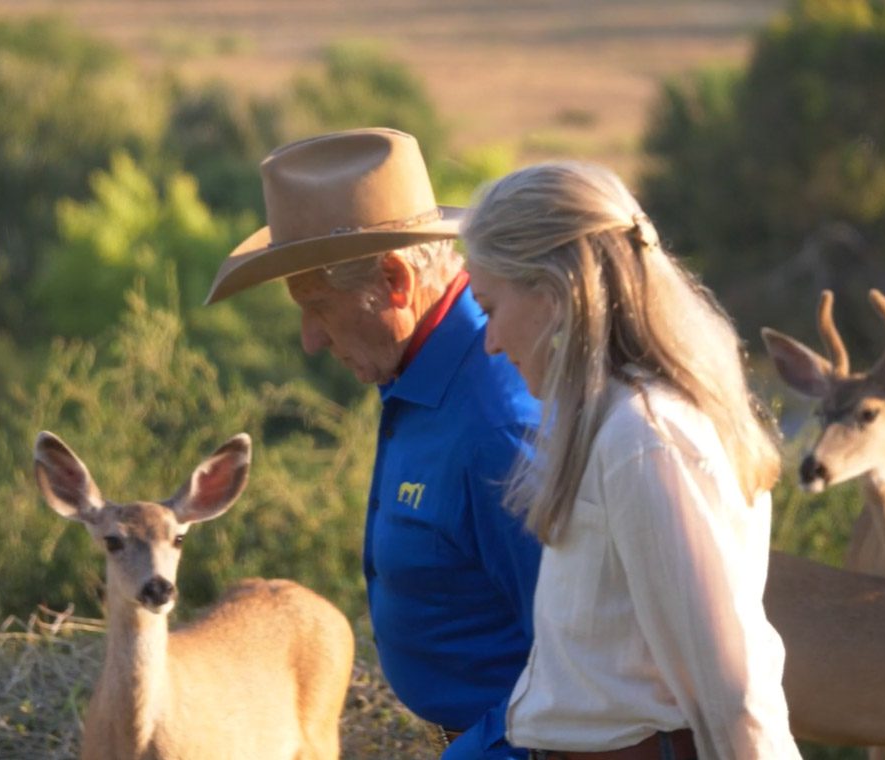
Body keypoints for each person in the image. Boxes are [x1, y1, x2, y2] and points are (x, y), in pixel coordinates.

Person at [204, 127, 542, 759]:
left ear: (393, 279)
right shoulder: (416, 372)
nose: (309, 338)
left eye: (318, 305)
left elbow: (579, 663)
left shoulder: (496, 423)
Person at [461, 161, 801, 759]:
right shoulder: (608, 423)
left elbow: (732, 683)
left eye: (490, 309)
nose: (489, 342)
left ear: (554, 290)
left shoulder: (642, 438)